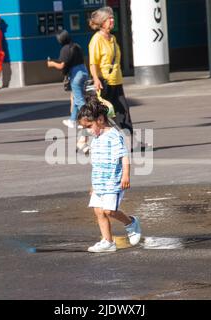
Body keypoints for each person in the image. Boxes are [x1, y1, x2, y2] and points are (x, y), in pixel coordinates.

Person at [77, 97, 141, 253]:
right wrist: (93, 184)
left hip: (114, 181)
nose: (89, 131)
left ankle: (131, 223)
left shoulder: (114, 135)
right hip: (99, 181)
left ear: (100, 119)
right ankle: (107, 241)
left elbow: (124, 155)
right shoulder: (96, 138)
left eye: (90, 126)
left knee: (109, 211)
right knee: (98, 211)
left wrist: (126, 175)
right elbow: (96, 162)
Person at [88, 7, 134, 148]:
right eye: (109, 19)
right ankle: (92, 142)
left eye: (113, 18)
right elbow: (93, 63)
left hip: (117, 82)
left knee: (124, 113)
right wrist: (96, 79)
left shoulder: (113, 39)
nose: (112, 20)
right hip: (104, 84)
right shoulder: (96, 40)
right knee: (101, 115)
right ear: (102, 22)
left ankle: (131, 142)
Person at [47, 30, 88, 129]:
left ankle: (88, 121)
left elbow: (61, 65)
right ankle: (73, 120)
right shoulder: (77, 46)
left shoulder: (65, 49)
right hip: (84, 71)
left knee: (79, 100)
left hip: (76, 74)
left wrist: (51, 64)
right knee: (75, 97)